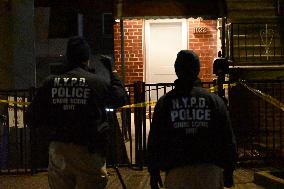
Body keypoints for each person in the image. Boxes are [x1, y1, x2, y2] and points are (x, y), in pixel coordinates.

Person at [26, 36, 127, 189]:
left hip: (59, 149)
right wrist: (112, 71)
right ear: (87, 59)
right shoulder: (96, 82)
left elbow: (31, 118)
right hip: (88, 149)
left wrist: (49, 131)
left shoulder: (50, 83)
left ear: (68, 58)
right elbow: (120, 98)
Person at [147, 50, 237, 189]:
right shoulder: (214, 101)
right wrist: (229, 169)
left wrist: (154, 171)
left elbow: (156, 139)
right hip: (209, 170)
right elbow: (226, 136)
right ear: (198, 69)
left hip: (177, 170)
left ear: (177, 70)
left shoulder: (165, 102)